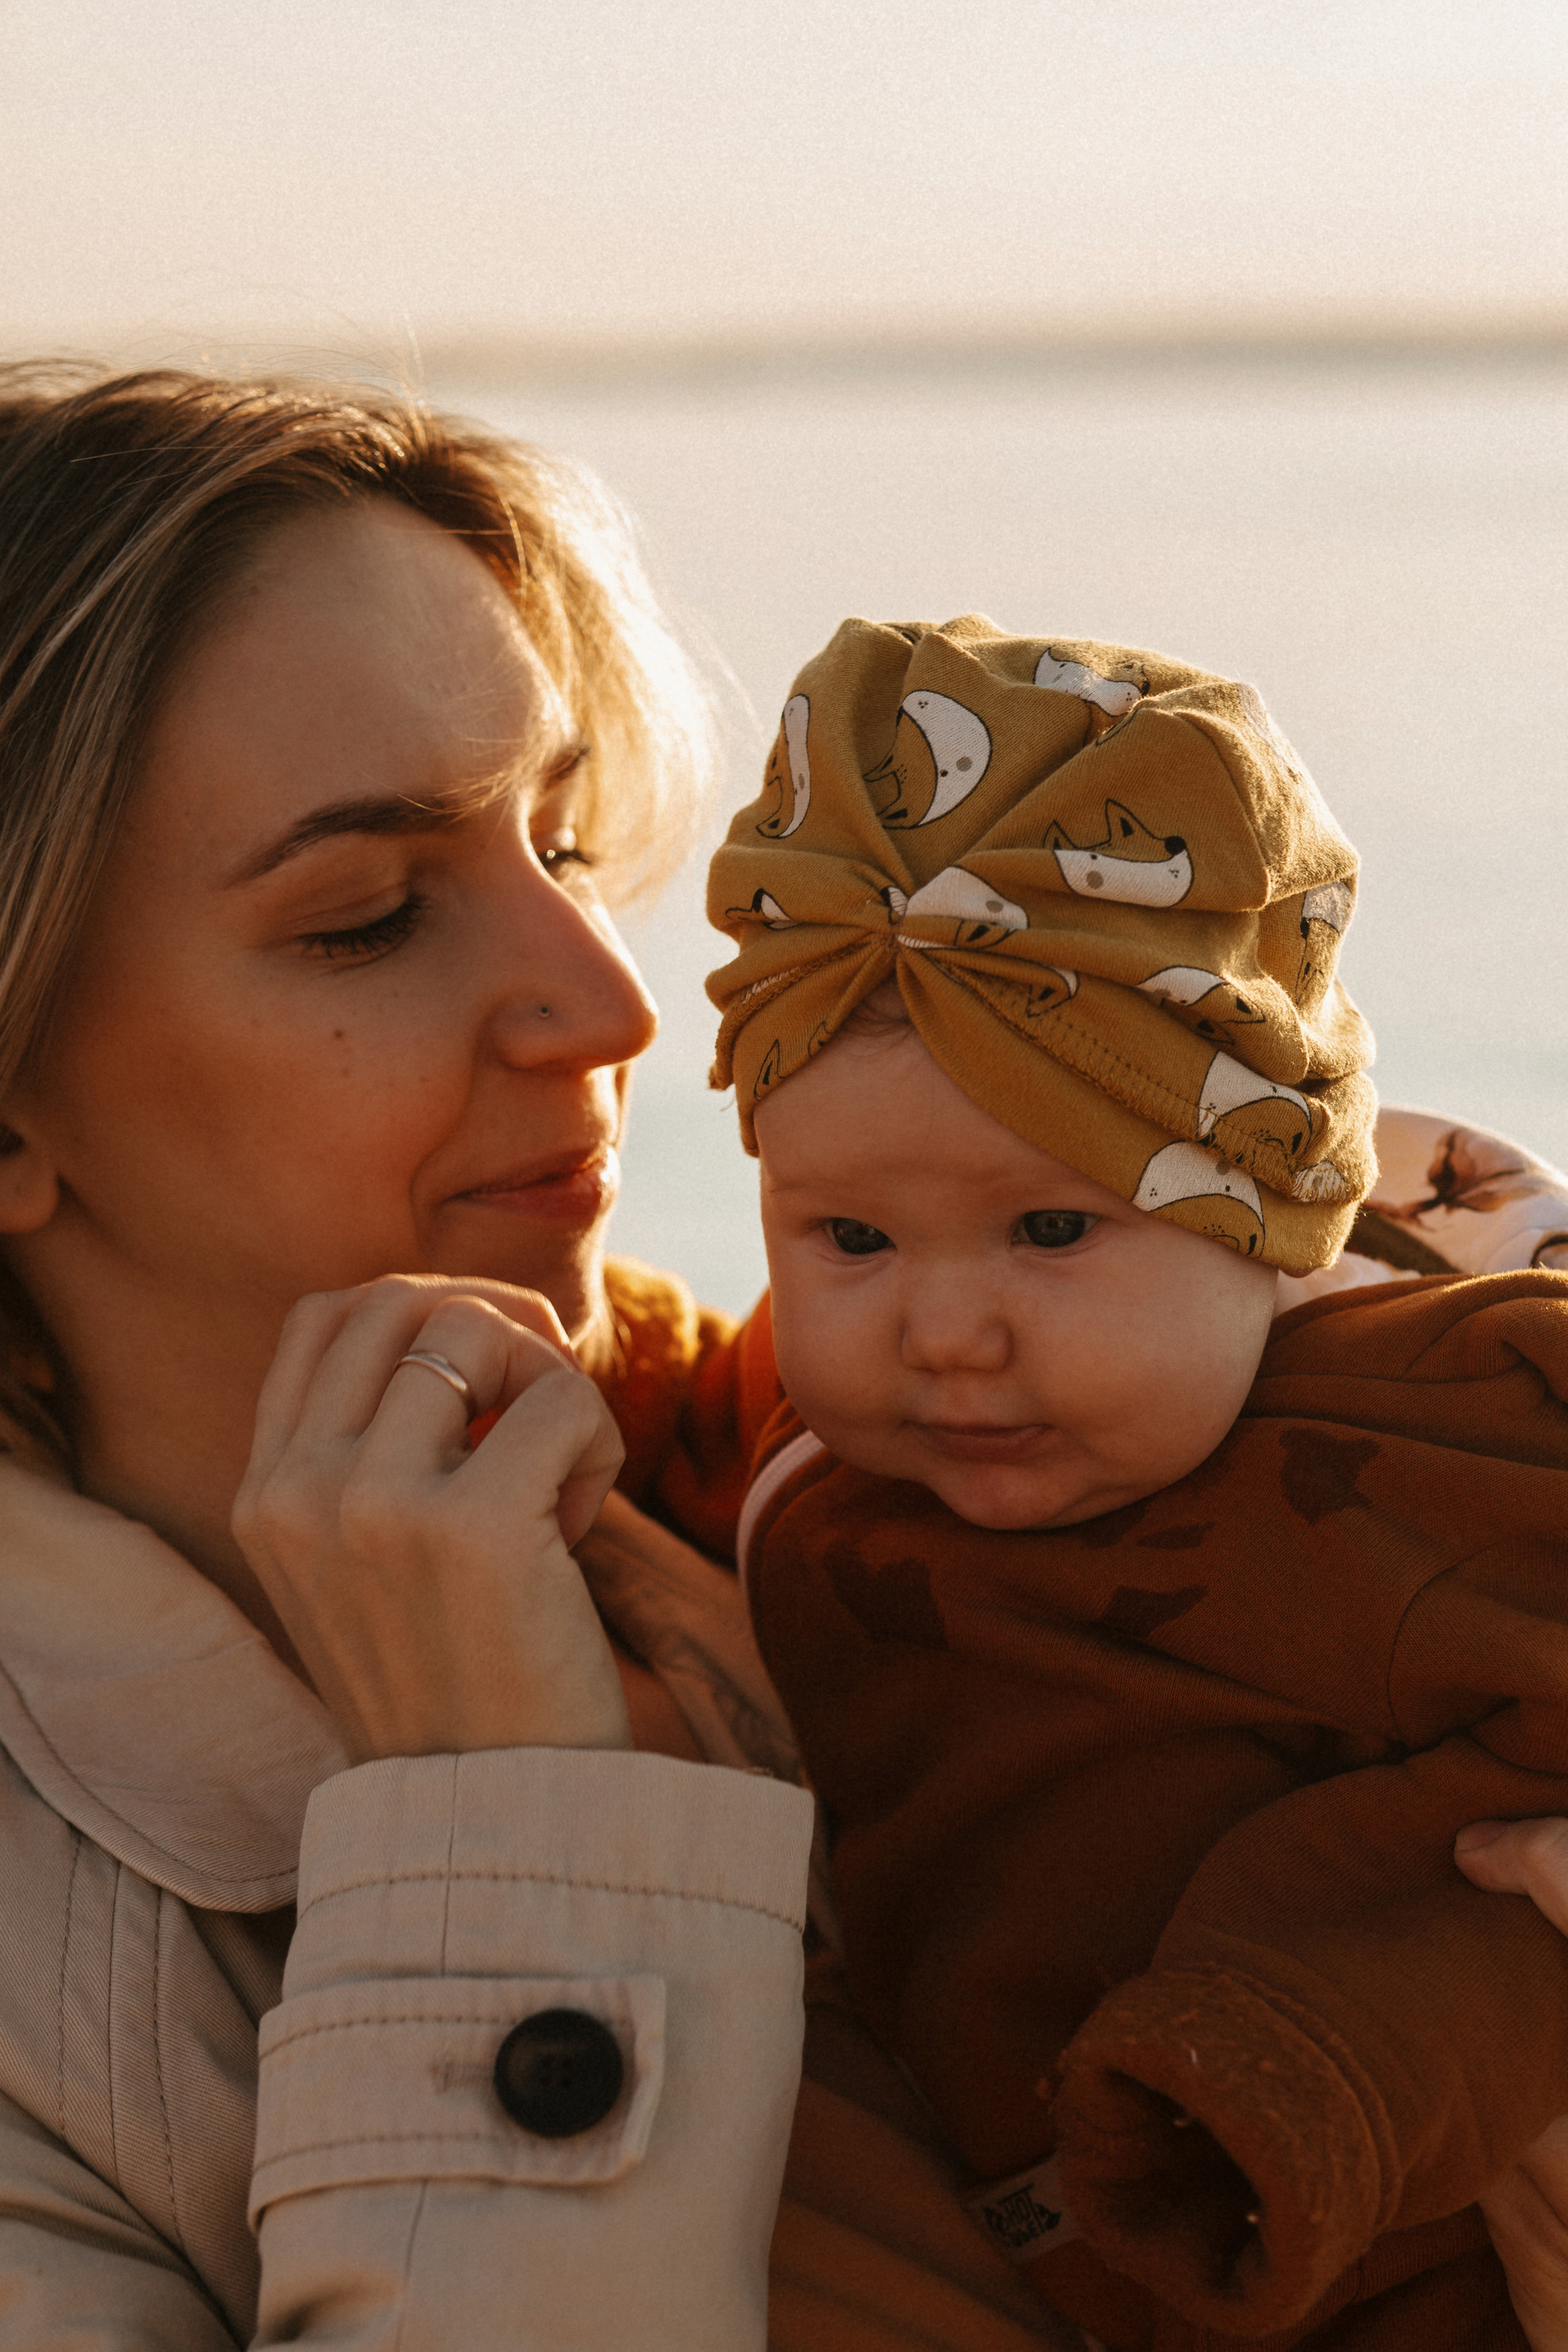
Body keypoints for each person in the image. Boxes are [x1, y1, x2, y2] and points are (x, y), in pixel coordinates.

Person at [0, 364, 1563, 2352]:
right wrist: (505, 1843)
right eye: (371, 917)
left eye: (564, 848)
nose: (606, 1001)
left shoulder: (889, 1467)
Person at [706, 613, 1568, 2350]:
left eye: (1051, 1230)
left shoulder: (1425, 1434)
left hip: (1385, 2221)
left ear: (1273, 1212)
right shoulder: (800, 1457)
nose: (946, 1331)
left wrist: (1309, 2049)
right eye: (851, 1238)